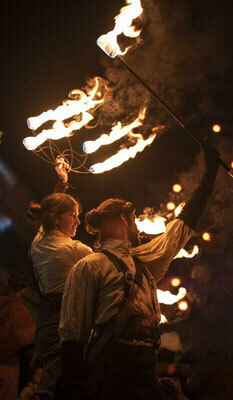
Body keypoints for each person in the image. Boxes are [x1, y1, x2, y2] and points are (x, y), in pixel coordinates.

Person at [59, 144, 219, 399]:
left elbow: (181, 228)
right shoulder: (90, 265)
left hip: (146, 371)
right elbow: (72, 335)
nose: (138, 228)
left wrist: (209, 176)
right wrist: (73, 389)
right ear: (125, 218)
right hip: (112, 376)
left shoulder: (144, 259)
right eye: (134, 220)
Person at [26, 158, 92, 399]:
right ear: (57, 219)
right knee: (53, 388)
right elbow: (108, 262)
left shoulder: (40, 239)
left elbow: (48, 213)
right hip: (62, 324)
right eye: (73, 215)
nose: (77, 221)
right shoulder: (75, 249)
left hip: (47, 322)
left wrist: (62, 183)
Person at [0, 271, 35, 400]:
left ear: (7, 283)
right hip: (8, 367)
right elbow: (29, 341)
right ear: (23, 290)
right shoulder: (21, 311)